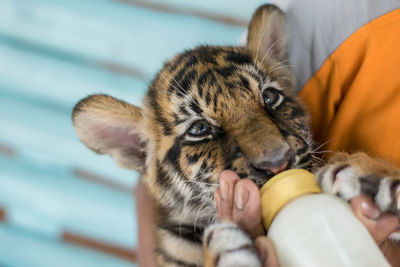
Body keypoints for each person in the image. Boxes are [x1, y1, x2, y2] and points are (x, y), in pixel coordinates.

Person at [137, 1, 400, 266]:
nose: (274, 155)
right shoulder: (350, 15)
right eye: (200, 130)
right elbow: (154, 171)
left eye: (269, 99)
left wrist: (383, 249)